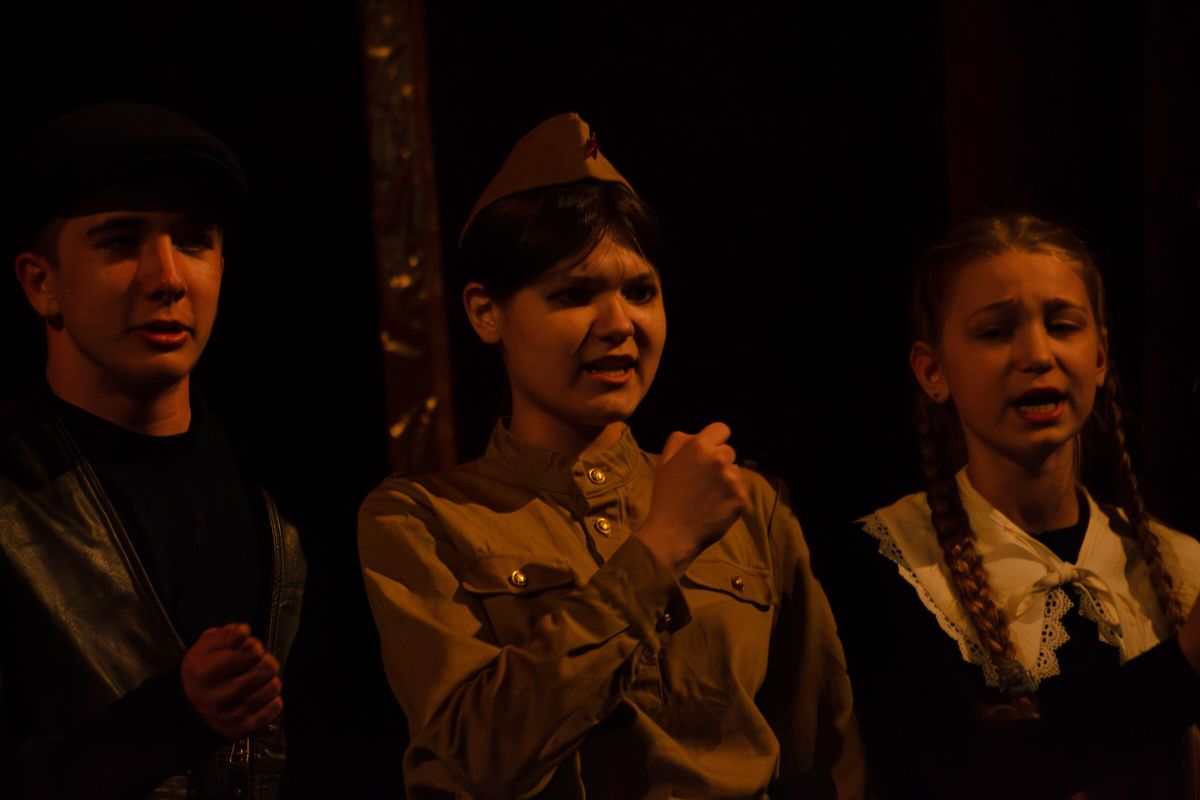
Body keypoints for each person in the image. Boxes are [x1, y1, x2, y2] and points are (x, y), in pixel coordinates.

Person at [358, 113, 862, 799]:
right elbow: (476, 761)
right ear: (485, 312)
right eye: (573, 294)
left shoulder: (747, 503)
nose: (620, 323)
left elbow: (825, 758)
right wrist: (660, 548)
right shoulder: (422, 519)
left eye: (640, 292)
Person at [821, 214, 1200, 798]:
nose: (1038, 354)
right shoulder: (888, 566)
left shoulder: (1177, 565)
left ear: (1100, 356)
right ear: (933, 371)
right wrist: (1185, 665)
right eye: (996, 332)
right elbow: (952, 774)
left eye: (1062, 326)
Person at [0, 103, 305, 800]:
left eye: (193, 241)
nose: (167, 278)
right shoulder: (16, 493)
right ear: (41, 283)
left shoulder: (278, 503)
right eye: (120, 241)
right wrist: (169, 720)